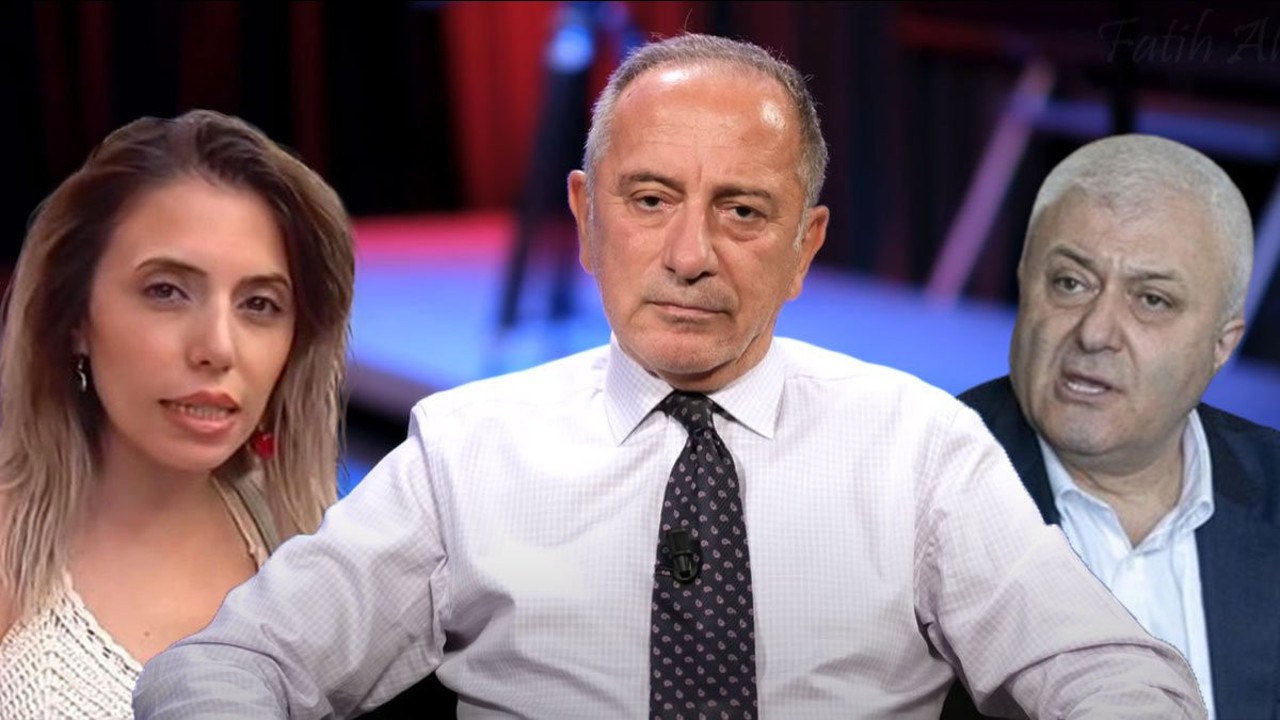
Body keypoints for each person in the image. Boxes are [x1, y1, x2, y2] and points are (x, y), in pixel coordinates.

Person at [134, 34, 1204, 719]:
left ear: (805, 246)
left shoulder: (919, 448)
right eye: (649, 200)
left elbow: (1119, 677)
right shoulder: (467, 448)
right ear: (583, 219)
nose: (690, 254)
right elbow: (223, 668)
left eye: (742, 211)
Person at [0, 109, 356, 718]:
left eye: (259, 304)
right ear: (76, 318)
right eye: (166, 291)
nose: (217, 347)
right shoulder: (12, 547)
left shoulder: (307, 544)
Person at [942, 134, 1280, 720]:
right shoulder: (914, 488)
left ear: (1222, 344)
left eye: (1152, 300)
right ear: (1024, 283)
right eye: (1070, 283)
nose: (1096, 332)